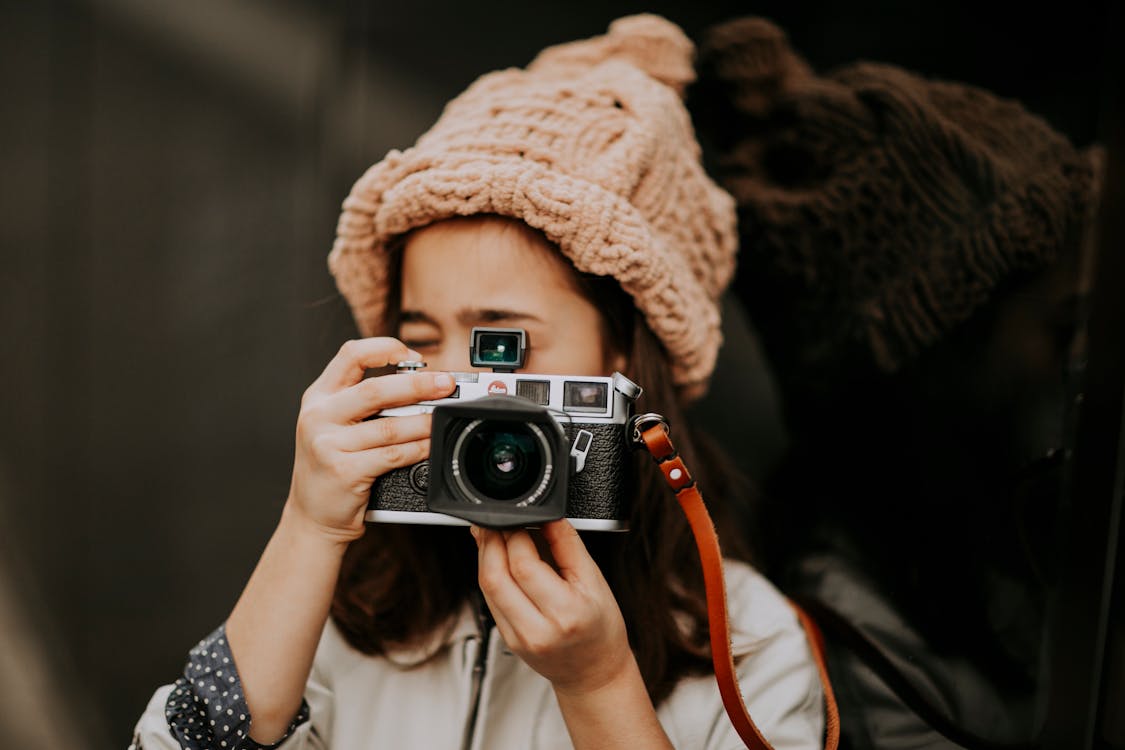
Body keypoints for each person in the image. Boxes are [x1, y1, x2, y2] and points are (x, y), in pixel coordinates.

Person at [131, 15, 827, 750]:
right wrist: (308, 531)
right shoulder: (339, 608)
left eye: (503, 346)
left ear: (623, 361)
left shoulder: (747, 643)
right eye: (423, 342)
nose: (465, 388)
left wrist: (596, 684)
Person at [688, 17, 1104, 750]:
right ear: (937, 363)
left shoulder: (1014, 534)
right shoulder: (856, 651)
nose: (1086, 362)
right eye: (1065, 328)